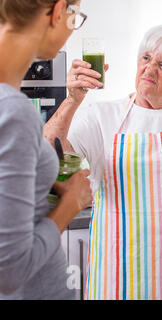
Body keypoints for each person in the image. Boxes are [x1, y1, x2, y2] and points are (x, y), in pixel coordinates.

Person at [44, 25, 162, 300]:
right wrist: (73, 99)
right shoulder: (101, 116)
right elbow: (49, 153)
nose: (149, 70)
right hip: (117, 272)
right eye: (145, 58)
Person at [0, 0, 92, 300]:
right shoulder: (13, 110)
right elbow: (9, 271)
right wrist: (72, 202)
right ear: (58, 12)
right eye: (75, 16)